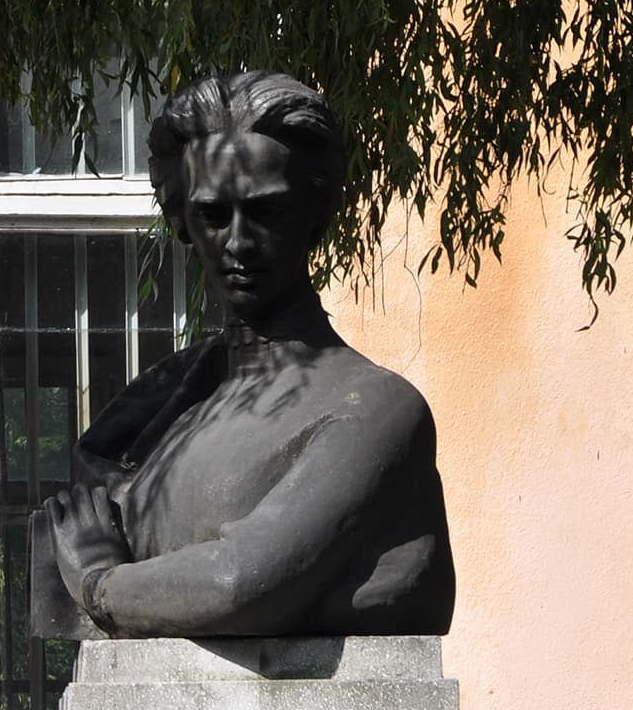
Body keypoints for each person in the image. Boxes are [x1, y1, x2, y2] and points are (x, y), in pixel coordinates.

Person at [29, 70, 455, 639]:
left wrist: (100, 583)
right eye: (212, 214)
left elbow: (238, 584)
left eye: (266, 212)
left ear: (316, 211)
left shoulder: (376, 411)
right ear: (181, 218)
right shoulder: (153, 412)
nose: (238, 243)